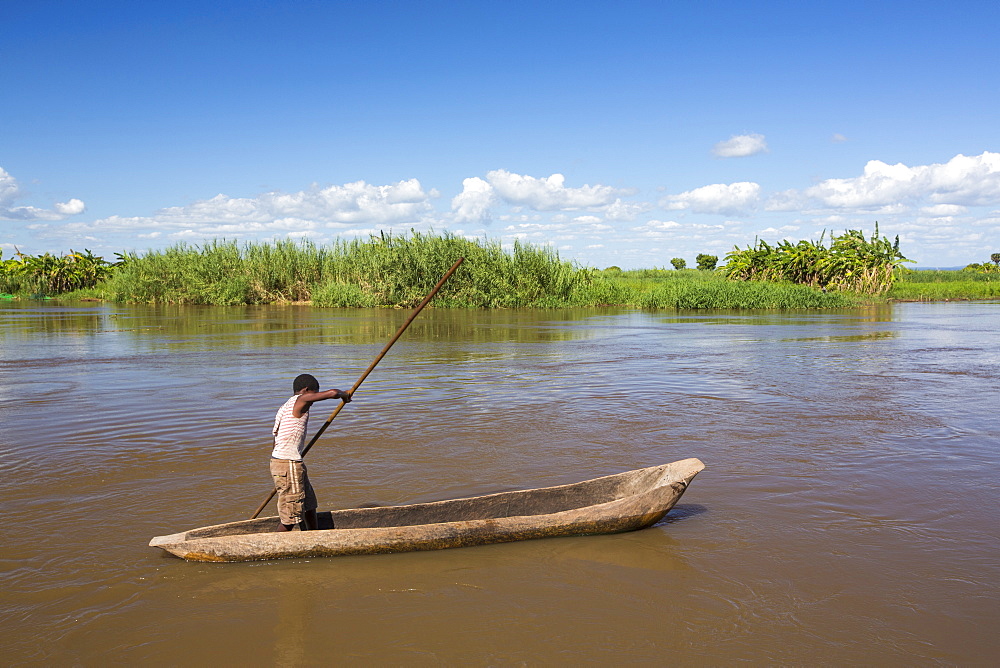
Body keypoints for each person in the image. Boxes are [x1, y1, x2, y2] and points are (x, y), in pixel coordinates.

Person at [270, 373, 351, 531]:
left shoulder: (285, 407)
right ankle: (271, 545)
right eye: (314, 393)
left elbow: (276, 438)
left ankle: (313, 534)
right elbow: (332, 393)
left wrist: (291, 456)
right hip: (288, 463)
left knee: (308, 504)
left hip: (287, 461)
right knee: (290, 516)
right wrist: (344, 395)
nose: (312, 401)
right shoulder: (300, 399)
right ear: (306, 390)